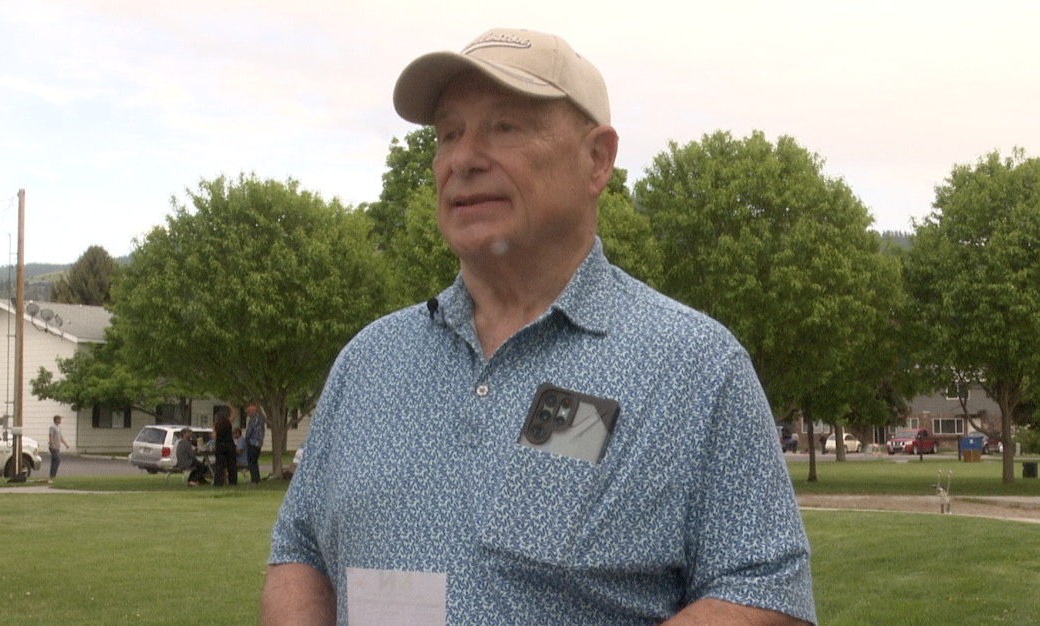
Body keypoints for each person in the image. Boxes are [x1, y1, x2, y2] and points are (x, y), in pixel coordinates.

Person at [262, 28, 815, 626]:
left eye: (506, 126)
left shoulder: (693, 367)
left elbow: (765, 593)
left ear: (597, 158)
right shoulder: (369, 363)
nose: (464, 158)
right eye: (449, 133)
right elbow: (300, 552)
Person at [212, 408, 237, 486]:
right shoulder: (228, 422)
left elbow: (213, 436)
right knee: (231, 464)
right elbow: (234, 413)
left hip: (220, 446)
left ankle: (218, 482)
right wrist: (230, 405)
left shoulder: (217, 425)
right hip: (229, 445)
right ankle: (233, 481)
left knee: (220, 465)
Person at [245, 404, 266, 484]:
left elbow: (249, 431)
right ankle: (257, 479)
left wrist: (246, 439)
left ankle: (254, 480)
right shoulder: (261, 419)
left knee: (251, 461)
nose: (248, 414)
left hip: (252, 442)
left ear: (252, 411)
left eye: (248, 412)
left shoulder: (253, 419)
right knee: (255, 461)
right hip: (259, 443)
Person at [47, 414, 69, 481]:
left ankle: (52, 475)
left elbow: (60, 437)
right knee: (57, 459)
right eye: (59, 419)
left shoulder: (59, 428)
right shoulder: (52, 427)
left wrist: (66, 444)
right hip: (53, 447)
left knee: (54, 461)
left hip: (58, 447)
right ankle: (52, 475)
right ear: (56, 420)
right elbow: (50, 436)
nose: (60, 420)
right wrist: (53, 444)